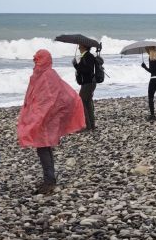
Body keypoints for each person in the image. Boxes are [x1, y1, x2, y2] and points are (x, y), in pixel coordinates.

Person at [18, 49, 85, 194]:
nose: (35, 62)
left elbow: (52, 98)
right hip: (43, 117)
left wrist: (40, 116)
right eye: (35, 60)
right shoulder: (41, 75)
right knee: (44, 147)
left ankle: (49, 181)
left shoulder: (47, 76)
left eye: (38, 59)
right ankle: (49, 178)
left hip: (45, 119)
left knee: (43, 147)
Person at [71, 45, 102, 133]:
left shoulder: (88, 56)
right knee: (87, 103)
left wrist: (76, 65)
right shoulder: (86, 56)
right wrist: (77, 65)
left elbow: (87, 70)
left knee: (82, 103)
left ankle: (87, 126)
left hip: (88, 83)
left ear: (84, 47)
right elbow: (86, 69)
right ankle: (91, 125)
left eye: (80, 46)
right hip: (89, 83)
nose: (79, 48)